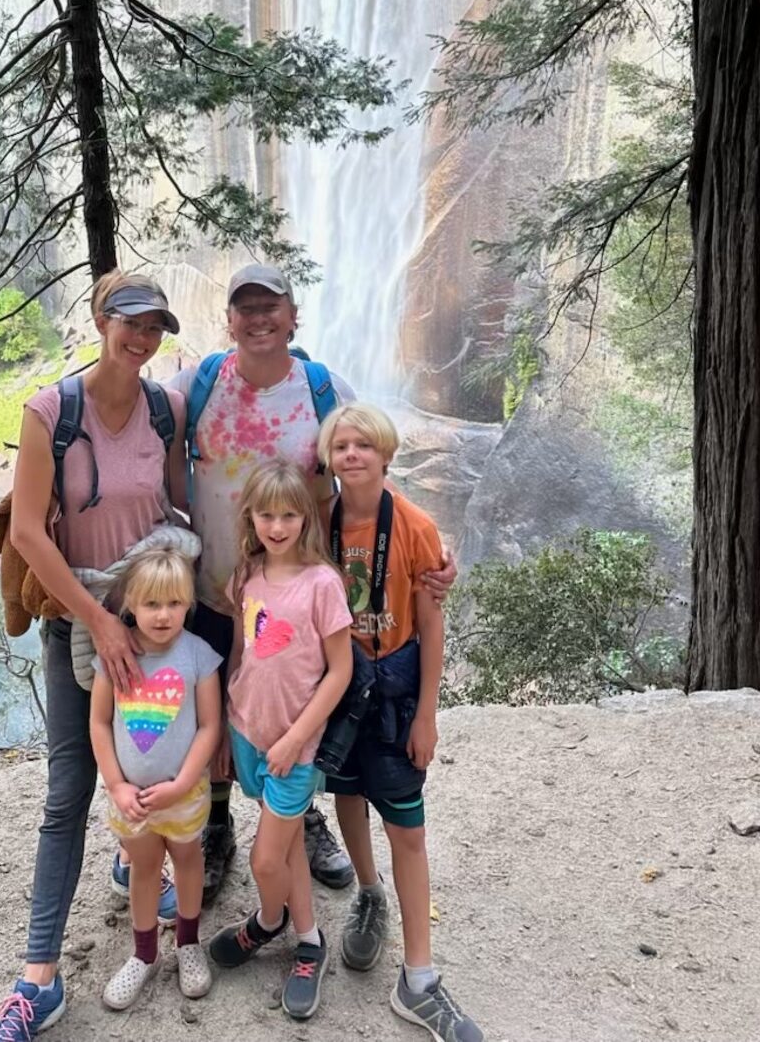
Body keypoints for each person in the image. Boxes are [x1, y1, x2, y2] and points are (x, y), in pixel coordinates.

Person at [0, 271, 188, 1042]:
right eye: (130, 322)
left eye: (155, 326)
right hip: (79, 622)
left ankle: (130, 861)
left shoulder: (164, 407)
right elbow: (30, 530)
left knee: (149, 760)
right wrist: (97, 621)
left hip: (153, 624)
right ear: (101, 320)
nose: (142, 337)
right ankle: (39, 979)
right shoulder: (51, 411)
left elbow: (178, 504)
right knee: (69, 788)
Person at [167, 264, 358, 899]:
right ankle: (217, 825)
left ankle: (299, 816)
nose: (257, 318)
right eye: (244, 307)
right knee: (213, 715)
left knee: (293, 704)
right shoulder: (199, 384)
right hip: (213, 586)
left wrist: (417, 546)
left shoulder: (324, 390)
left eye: (269, 306)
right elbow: (131, 424)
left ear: (293, 315)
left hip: (294, 595)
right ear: (229, 320)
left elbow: (365, 474)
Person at [316, 402, 483, 1042]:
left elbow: (431, 625)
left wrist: (428, 718)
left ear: (386, 455)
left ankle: (419, 979)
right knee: (349, 799)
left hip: (392, 696)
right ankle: (367, 891)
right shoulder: (317, 524)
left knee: (407, 825)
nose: (353, 455)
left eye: (364, 445)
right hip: (338, 691)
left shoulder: (413, 526)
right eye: (342, 445)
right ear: (329, 459)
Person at [207, 460, 353, 1021]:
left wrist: (296, 738)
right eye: (266, 514)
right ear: (250, 517)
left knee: (267, 860)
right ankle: (310, 941)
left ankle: (270, 922)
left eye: (288, 514)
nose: (276, 525)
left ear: (305, 519)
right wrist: (223, 722)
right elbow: (241, 653)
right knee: (288, 847)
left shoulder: (322, 583)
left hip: (295, 744)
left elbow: (338, 672)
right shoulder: (245, 576)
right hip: (247, 729)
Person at [90, 547, 222, 1011]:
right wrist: (116, 784)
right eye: (151, 604)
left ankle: (188, 944)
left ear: (189, 603)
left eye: (174, 603)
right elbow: (100, 723)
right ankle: (144, 954)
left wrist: (185, 780)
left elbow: (209, 725)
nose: (163, 615)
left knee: (188, 862)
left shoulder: (199, 655)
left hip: (184, 793)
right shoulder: (115, 656)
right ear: (130, 605)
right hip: (133, 798)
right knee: (144, 870)